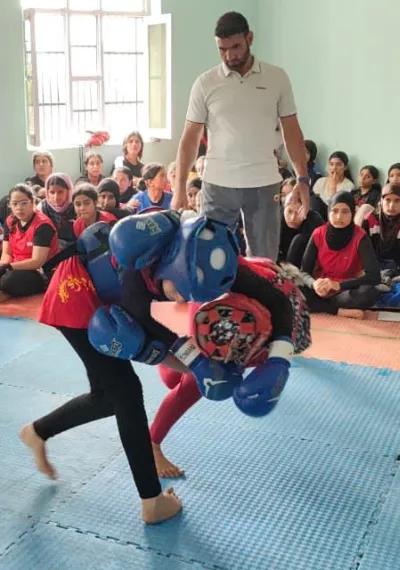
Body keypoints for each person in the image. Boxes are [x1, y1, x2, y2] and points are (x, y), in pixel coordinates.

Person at [20, 211, 244, 525]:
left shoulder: (189, 252)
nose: (180, 297)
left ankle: (37, 432)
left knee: (106, 397)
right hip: (75, 294)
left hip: (98, 294)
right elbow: (152, 343)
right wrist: (200, 368)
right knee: (126, 392)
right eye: (179, 288)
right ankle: (151, 501)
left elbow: (169, 337)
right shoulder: (138, 278)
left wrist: (213, 363)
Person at [149, 256, 309, 477]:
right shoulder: (208, 312)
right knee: (192, 383)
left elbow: (282, 342)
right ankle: (152, 446)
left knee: (194, 377)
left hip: (266, 299)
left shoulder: (280, 324)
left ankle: (181, 365)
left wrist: (275, 367)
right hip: (217, 301)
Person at [173, 11, 313, 259]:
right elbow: (190, 139)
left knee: (264, 261)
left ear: (250, 38)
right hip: (218, 184)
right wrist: (179, 188)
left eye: (236, 46)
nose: (230, 55)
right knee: (210, 258)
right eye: (222, 49)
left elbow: (292, 130)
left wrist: (302, 179)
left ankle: (260, 299)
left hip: (264, 182)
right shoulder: (205, 83)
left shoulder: (277, 78)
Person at [287, 191, 381, 318]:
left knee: (369, 292)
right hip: (321, 290)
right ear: (328, 212)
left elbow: (374, 276)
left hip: (346, 290)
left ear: (352, 213)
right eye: (334, 211)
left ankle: (323, 306)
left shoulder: (360, 237)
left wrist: (338, 285)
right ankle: (338, 311)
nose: (339, 217)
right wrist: (314, 284)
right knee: (293, 288)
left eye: (345, 212)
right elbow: (304, 272)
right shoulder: (318, 233)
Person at [0, 184, 57, 303]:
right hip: (12, 266)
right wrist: (2, 267)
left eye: (24, 203)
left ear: (32, 202)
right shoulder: (10, 221)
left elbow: (37, 262)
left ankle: (0, 288)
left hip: (37, 272)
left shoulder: (43, 225)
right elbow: (6, 252)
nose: (19, 208)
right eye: (15, 204)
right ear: (10, 205)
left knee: (8, 280)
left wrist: (7, 268)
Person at [362, 183, 400, 282]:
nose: (391, 205)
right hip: (374, 269)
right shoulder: (369, 220)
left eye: (397, 200)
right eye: (387, 200)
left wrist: (394, 271)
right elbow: (365, 254)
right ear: (381, 201)